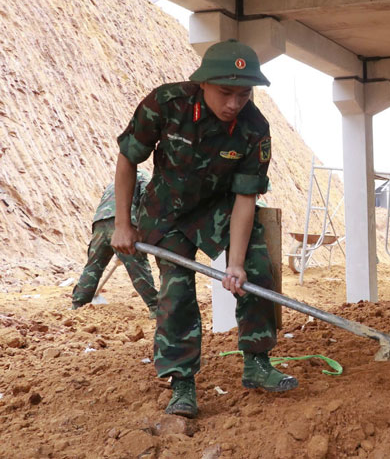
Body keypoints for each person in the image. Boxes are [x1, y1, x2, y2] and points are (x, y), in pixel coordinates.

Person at [111, 39, 296, 419]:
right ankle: (182, 384)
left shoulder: (254, 129)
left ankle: (257, 364)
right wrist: (123, 224)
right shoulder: (165, 104)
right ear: (203, 84)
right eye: (226, 93)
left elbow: (246, 199)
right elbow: (128, 159)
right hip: (166, 210)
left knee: (258, 269)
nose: (234, 103)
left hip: (218, 208)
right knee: (176, 290)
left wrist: (238, 263)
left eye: (243, 94)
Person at [71, 169, 158, 314]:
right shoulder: (144, 177)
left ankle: (77, 305)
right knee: (138, 267)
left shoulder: (116, 181)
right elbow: (147, 201)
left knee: (92, 267)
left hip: (100, 223)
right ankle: (156, 307)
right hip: (123, 223)